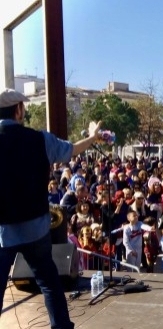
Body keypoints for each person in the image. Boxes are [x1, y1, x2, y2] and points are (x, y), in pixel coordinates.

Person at [0, 88, 103, 329]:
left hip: (3, 231)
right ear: (18, 110)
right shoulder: (39, 139)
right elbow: (72, 150)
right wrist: (92, 136)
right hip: (36, 228)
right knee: (49, 283)